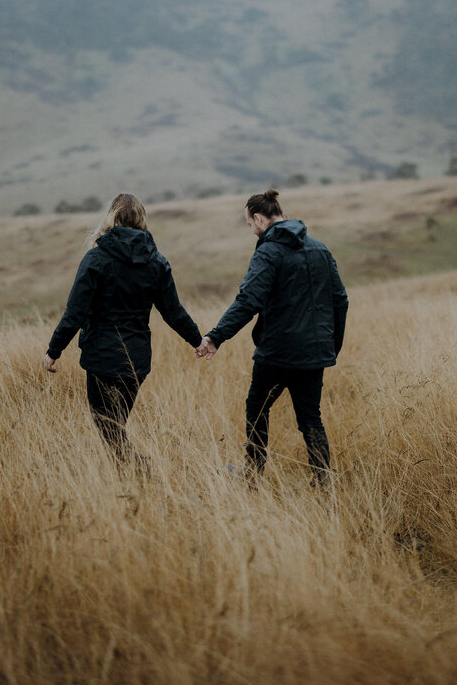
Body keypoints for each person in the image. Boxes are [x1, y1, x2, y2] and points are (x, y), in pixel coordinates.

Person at [197, 189, 348, 486]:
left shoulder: (268, 251)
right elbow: (340, 300)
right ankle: (322, 480)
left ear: (259, 218)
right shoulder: (320, 249)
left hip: (277, 352)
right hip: (314, 352)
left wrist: (215, 337)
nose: (252, 230)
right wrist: (330, 347)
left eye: (250, 224)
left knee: (257, 408)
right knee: (310, 417)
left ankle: (253, 475)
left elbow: (248, 300)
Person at [44, 193, 201, 468]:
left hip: (102, 359)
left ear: (112, 218)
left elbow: (75, 313)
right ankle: (128, 482)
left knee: (108, 427)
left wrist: (53, 351)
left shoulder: (96, 259)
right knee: (115, 426)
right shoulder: (157, 262)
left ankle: (142, 470)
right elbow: (173, 311)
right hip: (136, 362)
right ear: (142, 220)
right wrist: (197, 340)